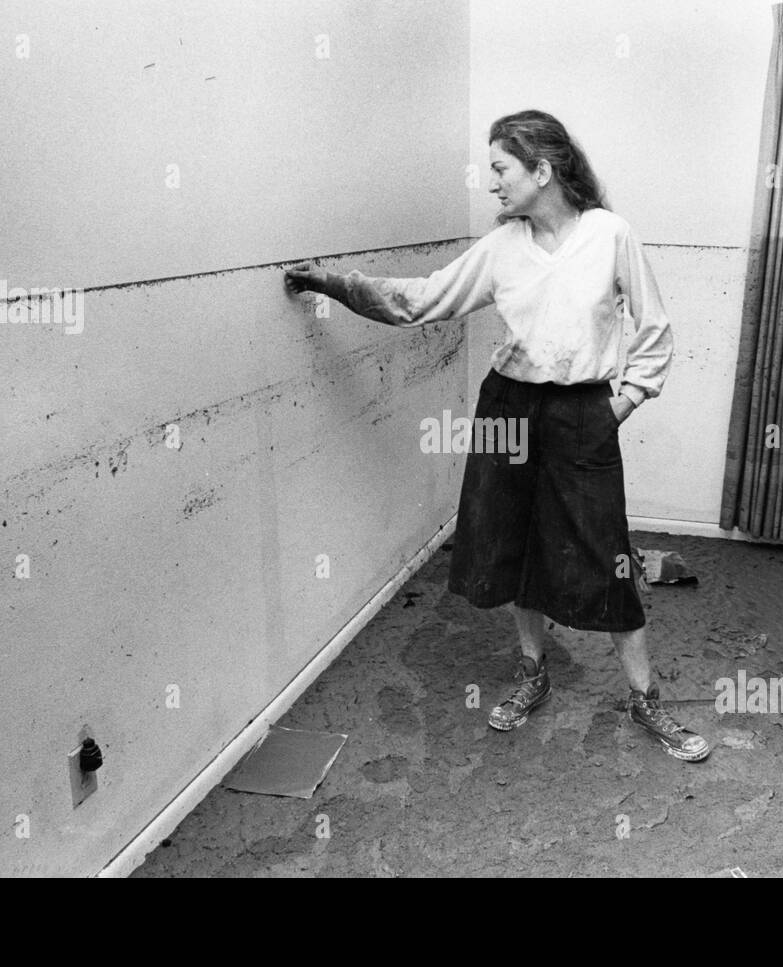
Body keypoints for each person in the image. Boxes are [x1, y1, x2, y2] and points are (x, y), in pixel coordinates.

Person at [285, 110, 709, 761]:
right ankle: (533, 674)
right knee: (516, 549)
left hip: (582, 413)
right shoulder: (502, 247)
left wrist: (617, 407)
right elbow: (420, 300)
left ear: (543, 169)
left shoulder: (609, 235)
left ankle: (646, 700)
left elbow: (653, 330)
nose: (493, 184)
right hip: (508, 409)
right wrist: (335, 284)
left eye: (502, 169)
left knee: (608, 556)